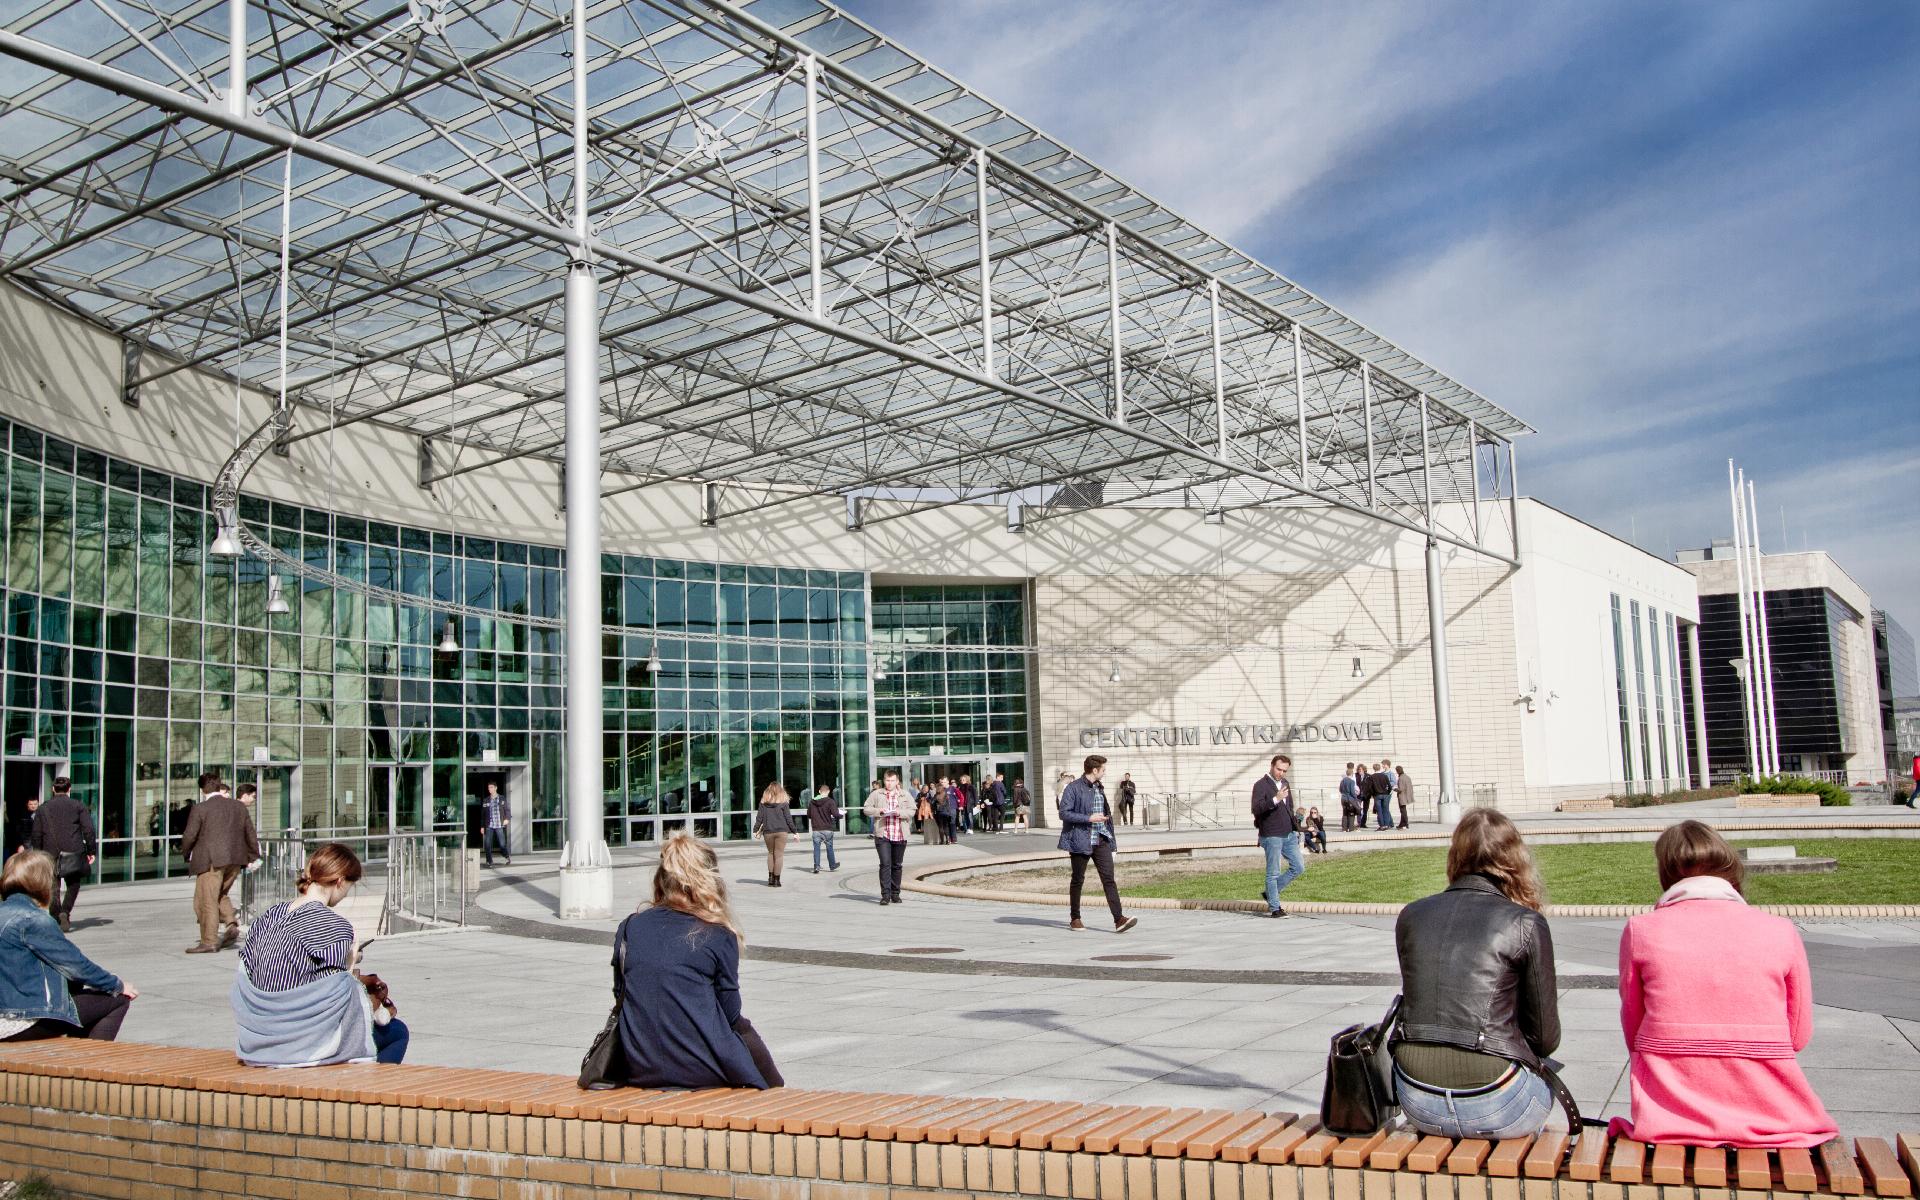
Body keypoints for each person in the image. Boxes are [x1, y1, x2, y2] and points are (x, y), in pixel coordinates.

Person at [1610, 821, 1837, 1148]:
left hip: (1669, 1112)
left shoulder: (1642, 929)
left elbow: (1633, 1028)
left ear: (1666, 873)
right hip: (1774, 1114)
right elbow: (1798, 1035)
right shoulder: (1780, 930)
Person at [1391, 809, 1560, 1140]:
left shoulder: (1411, 915)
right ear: (1515, 859)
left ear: (1456, 855)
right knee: (1542, 1079)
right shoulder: (1525, 923)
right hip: (1499, 1101)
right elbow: (1545, 1039)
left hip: (1414, 1095)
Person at [616, 832, 781, 1089]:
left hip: (637, 1065)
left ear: (662, 878)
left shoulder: (630, 927)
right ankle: (778, 1094)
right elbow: (730, 1013)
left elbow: (621, 993)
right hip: (699, 1070)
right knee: (758, 1058)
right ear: (709, 881)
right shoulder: (717, 934)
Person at [233, 843, 408, 1067]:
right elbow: (334, 998)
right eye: (349, 887)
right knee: (397, 1032)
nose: (345, 895)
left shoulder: (269, 916)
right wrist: (351, 961)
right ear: (339, 881)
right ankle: (364, 1093)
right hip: (302, 1043)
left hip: (257, 1040)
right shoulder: (334, 925)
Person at [0, 850, 137, 1042]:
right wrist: (118, 985)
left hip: (6, 1016)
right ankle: (89, 1065)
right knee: (118, 1000)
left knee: (80, 999)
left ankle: (77, 1057)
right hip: (24, 1020)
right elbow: (76, 966)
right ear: (42, 881)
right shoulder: (33, 920)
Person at [1057, 755, 1138, 934]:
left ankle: (1119, 919)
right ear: (1095, 770)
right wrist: (1088, 818)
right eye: (1103, 769)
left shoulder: (1098, 787)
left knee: (1109, 879)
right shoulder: (1073, 788)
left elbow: (1106, 817)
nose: (1105, 772)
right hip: (1080, 840)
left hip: (1101, 839)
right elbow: (1064, 813)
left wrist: (1113, 844)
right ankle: (1075, 918)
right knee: (1078, 879)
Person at [180, 771, 258, 954]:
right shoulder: (238, 807)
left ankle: (209, 941)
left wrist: (186, 853)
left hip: (211, 861)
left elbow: (189, 835)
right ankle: (231, 923)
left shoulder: (201, 808)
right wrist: (253, 856)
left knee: (206, 900)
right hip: (236, 860)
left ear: (202, 789)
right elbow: (250, 832)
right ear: (218, 786)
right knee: (220, 894)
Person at [27, 776, 94, 934]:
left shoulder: (43, 808)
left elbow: (36, 834)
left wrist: (37, 853)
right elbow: (89, 830)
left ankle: (56, 916)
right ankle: (65, 911)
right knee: (74, 883)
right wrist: (91, 851)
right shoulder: (78, 806)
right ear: (69, 789)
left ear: (53, 789)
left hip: (50, 852)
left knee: (53, 886)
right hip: (73, 851)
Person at [1252, 754, 1304, 918]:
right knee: (1273, 872)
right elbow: (1257, 808)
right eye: (1278, 769)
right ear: (1272, 766)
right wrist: (1275, 799)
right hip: (1271, 834)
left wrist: (1295, 825)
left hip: (1288, 833)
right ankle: (1275, 908)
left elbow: (1289, 805)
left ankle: (1270, 893)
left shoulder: (1285, 783)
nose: (1281, 773)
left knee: (1298, 867)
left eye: (1284, 770)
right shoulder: (1261, 785)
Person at [863, 771, 912, 905]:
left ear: (897, 781)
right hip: (883, 834)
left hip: (900, 834)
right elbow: (866, 808)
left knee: (897, 865)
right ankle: (885, 895)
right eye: (887, 780)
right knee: (885, 864)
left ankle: (895, 894)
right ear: (884, 781)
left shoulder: (905, 794)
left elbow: (912, 810)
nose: (889, 783)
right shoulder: (876, 794)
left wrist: (899, 813)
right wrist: (879, 811)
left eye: (892, 781)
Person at [752, 783, 794, 887]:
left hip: (768, 831)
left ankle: (770, 878)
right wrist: (794, 831)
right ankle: (777, 880)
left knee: (771, 853)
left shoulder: (764, 802)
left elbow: (759, 817)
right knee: (779, 855)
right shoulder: (784, 802)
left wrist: (755, 829)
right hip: (782, 831)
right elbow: (788, 818)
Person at [806, 784, 840, 874]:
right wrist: (841, 815)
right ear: (828, 791)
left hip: (816, 829)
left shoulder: (812, 802)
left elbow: (809, 815)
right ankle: (832, 866)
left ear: (819, 792)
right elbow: (836, 814)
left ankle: (817, 866)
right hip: (827, 828)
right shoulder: (830, 801)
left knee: (816, 848)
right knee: (829, 847)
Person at [480, 782, 512, 868]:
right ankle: (489, 861)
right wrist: (482, 826)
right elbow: (483, 815)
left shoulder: (502, 798)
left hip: (499, 824)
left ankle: (507, 856)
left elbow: (507, 810)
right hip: (489, 825)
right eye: (488, 788)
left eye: (491, 787)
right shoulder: (486, 800)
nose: (489, 789)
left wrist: (507, 819)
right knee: (487, 844)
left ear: (495, 788)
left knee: (502, 844)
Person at [1372, 760, 1396, 831]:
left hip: (1388, 793)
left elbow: (1393, 782)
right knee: (1384, 808)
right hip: (1383, 792)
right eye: (1382, 765)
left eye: (1384, 765)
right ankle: (1390, 823)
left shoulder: (1391, 773)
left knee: (1385, 808)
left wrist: (1386, 786)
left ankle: (1387, 824)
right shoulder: (1382, 773)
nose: (1382, 766)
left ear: (1387, 765)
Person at [1344, 764, 1365, 833]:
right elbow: (1353, 791)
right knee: (1353, 812)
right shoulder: (1352, 780)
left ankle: (1345, 828)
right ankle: (1352, 828)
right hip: (1351, 798)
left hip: (1344, 798)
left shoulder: (1343, 780)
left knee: (1345, 813)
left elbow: (1340, 789)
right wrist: (1355, 796)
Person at [1394, 765, 1412, 830]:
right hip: (1406, 795)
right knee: (1403, 810)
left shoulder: (1401, 778)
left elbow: (1400, 789)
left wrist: (1394, 789)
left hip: (1402, 796)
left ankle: (1406, 824)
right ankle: (1401, 824)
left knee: (1403, 811)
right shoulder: (1407, 777)